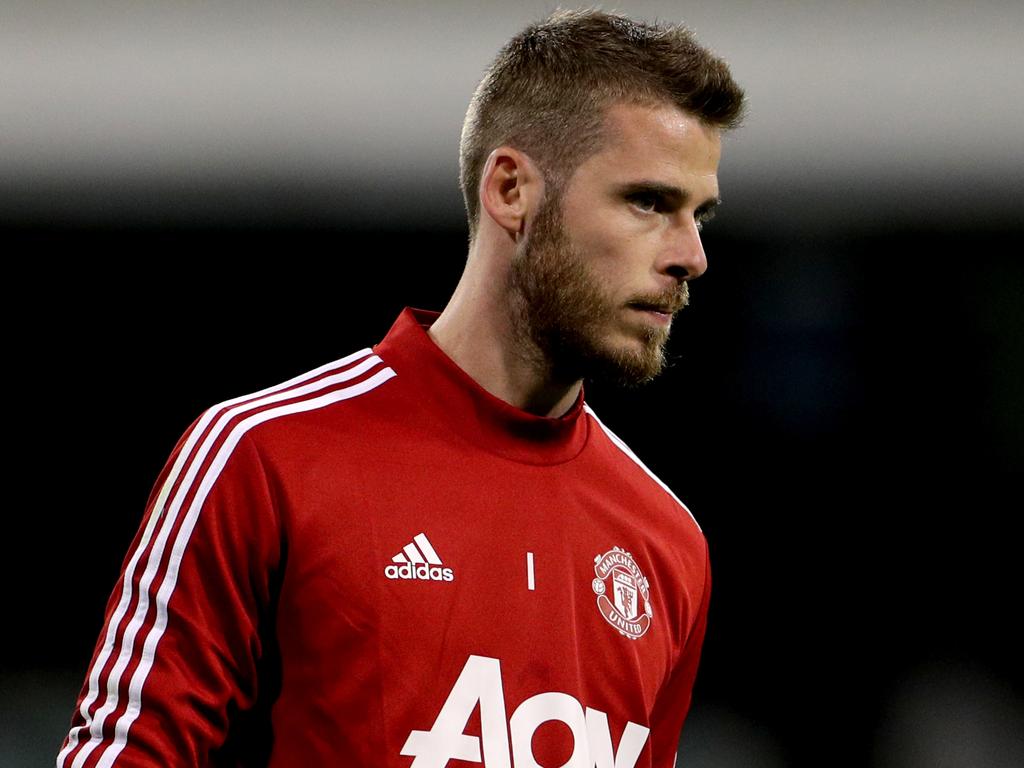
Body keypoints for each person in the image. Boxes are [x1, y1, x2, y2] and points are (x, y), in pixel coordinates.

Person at [58, 8, 744, 767]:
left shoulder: (667, 543)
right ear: (511, 190)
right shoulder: (263, 456)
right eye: (648, 202)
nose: (692, 255)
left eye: (699, 214)